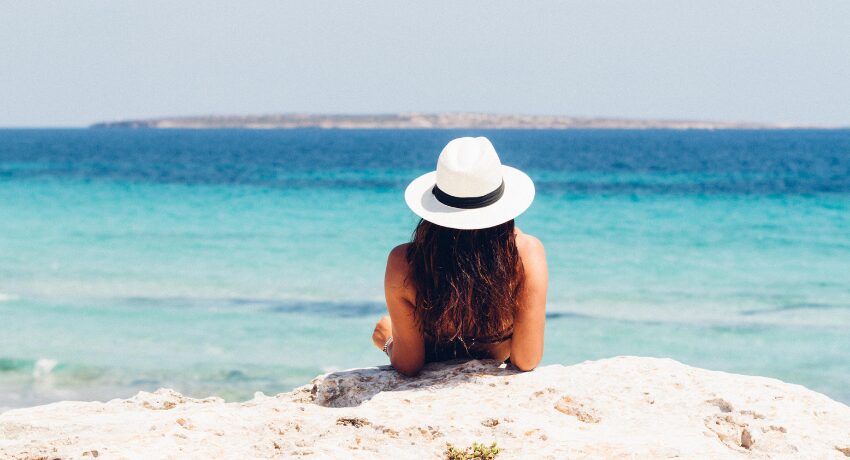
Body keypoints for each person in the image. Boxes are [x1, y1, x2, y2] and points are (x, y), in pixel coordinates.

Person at [372, 137, 548, 376]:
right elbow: (527, 359)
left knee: (384, 325)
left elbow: (409, 364)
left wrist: (387, 340)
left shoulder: (405, 262)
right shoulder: (526, 254)